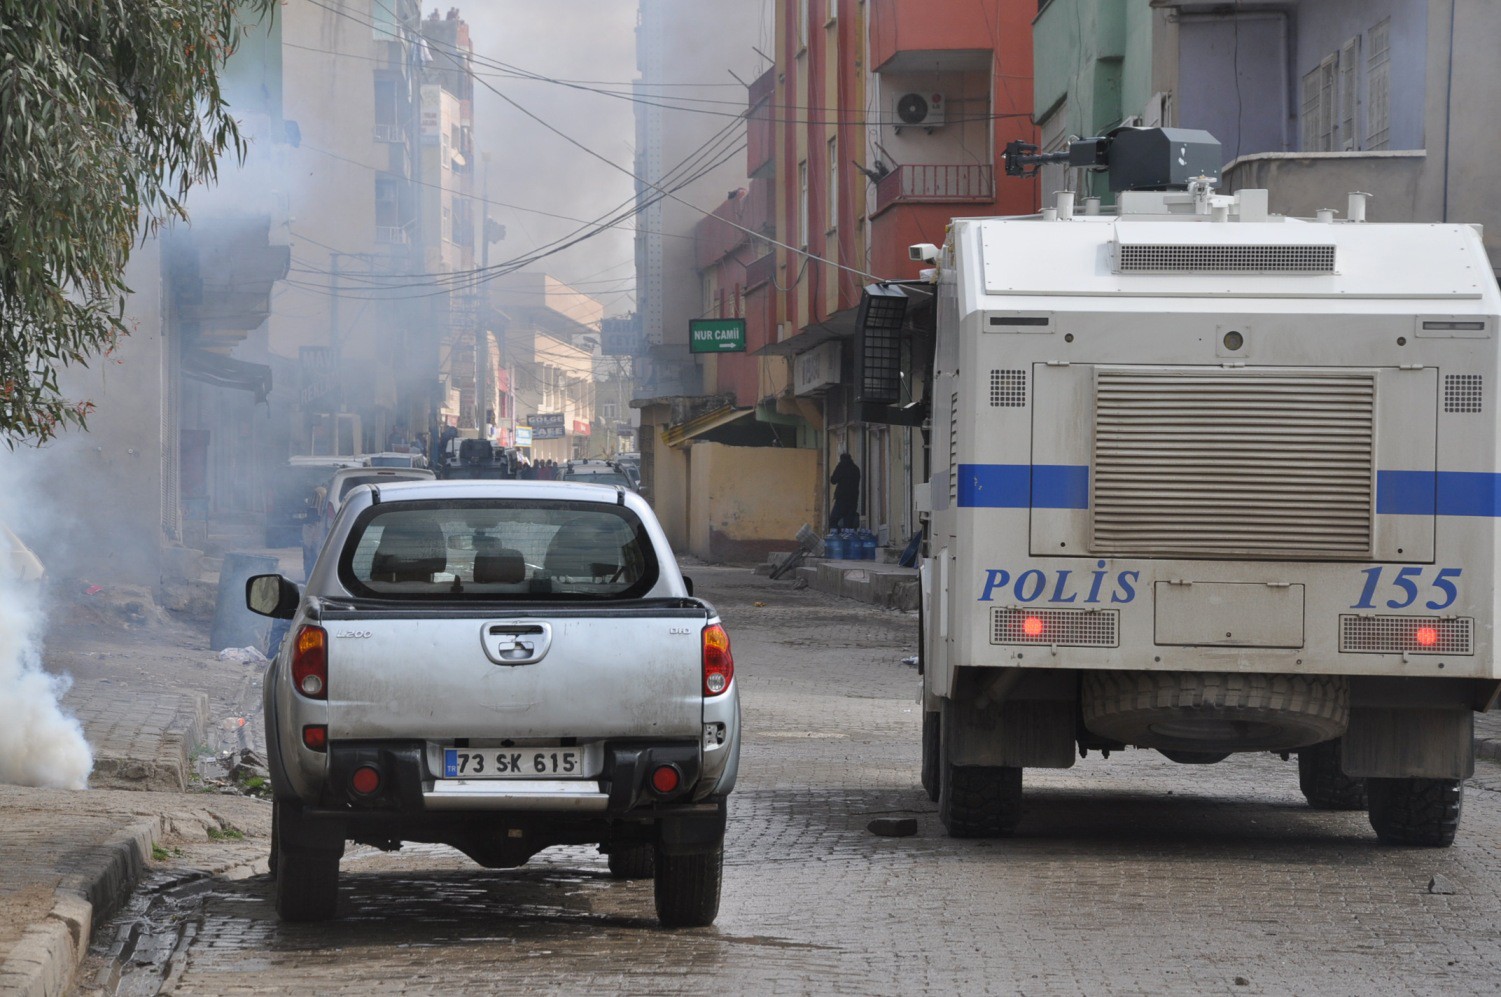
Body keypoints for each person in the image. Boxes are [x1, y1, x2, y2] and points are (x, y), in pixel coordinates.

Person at [829, 452, 860, 529]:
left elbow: (833, 480)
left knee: (833, 520)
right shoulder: (856, 469)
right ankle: (847, 539)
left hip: (841, 499)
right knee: (848, 524)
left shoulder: (841, 467)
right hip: (853, 500)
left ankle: (838, 538)